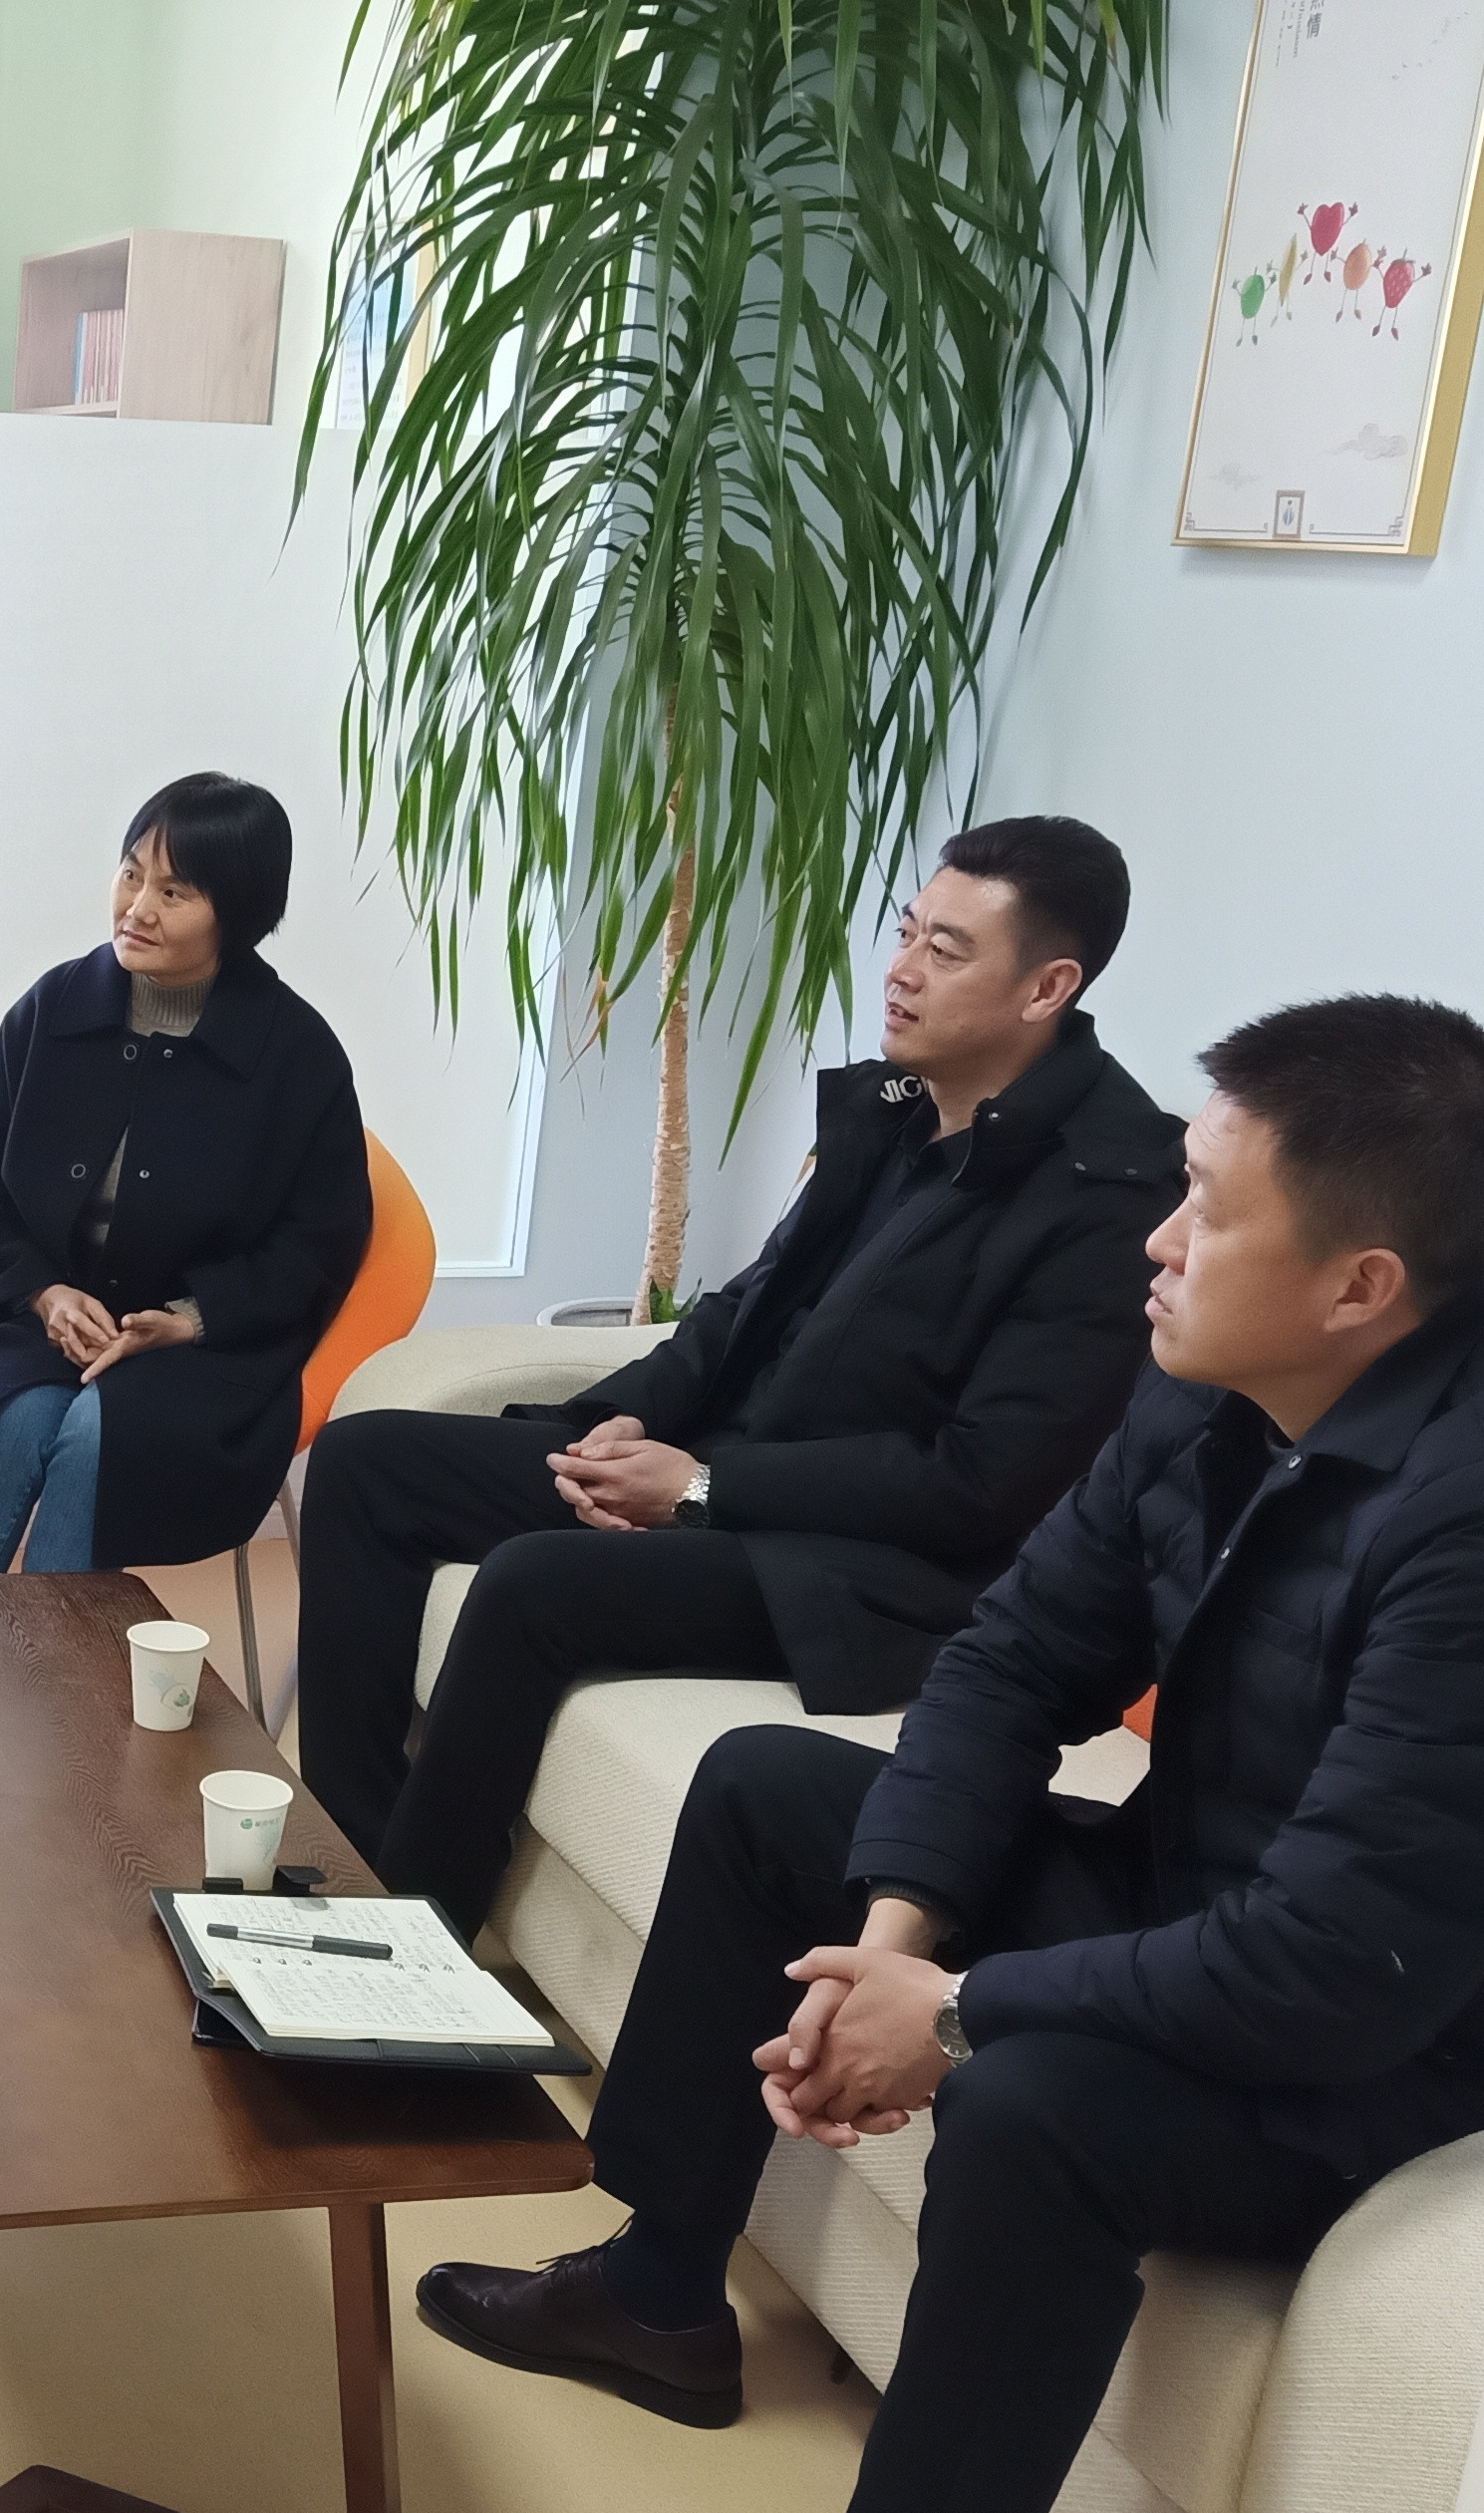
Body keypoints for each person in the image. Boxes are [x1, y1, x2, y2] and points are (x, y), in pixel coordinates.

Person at [413, 997, 1484, 2513]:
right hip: (1199, 1901)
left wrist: (960, 2017)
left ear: (1357, 1283)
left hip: (1389, 2048)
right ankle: (661, 2289)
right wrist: (894, 1944)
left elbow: (1341, 1966)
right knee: (770, 1796)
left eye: (1204, 1210)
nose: (1154, 1242)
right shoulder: (1218, 1369)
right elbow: (1014, 1659)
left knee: (1031, 2109)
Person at [295, 815, 1182, 1937]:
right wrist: (621, 1419)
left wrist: (704, 1491)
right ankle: (355, 1865)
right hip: (730, 1479)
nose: (901, 971)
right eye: (907, 932)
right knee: (369, 1462)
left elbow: (981, 1484)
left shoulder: (1113, 1195)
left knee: (534, 1582)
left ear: (1047, 987)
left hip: (874, 1570)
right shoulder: (896, 1109)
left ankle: (413, 1941)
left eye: (946, 951)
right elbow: (744, 1310)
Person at [0, 775, 371, 1579]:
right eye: (131, 873)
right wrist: (43, 1293)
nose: (137, 907)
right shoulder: (54, 1006)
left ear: (238, 913)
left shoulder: (297, 1054)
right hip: (37, 1317)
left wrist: (193, 1318)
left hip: (201, 1350)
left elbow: (321, 1243)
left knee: (101, 1434)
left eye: (174, 891)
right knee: (12, 1416)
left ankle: (57, 1663)